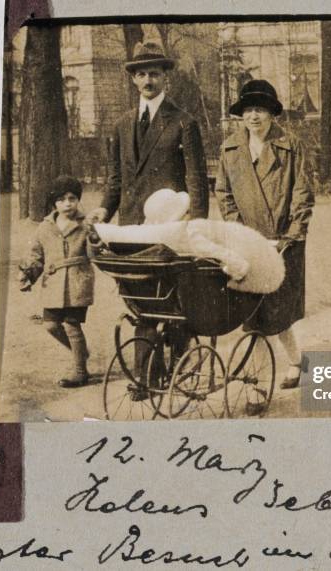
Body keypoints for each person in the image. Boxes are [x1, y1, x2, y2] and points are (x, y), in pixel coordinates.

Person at [86, 42, 209, 398]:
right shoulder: (122, 124)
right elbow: (116, 180)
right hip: (131, 228)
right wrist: (103, 211)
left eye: (154, 72)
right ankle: (145, 377)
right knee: (140, 299)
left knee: (172, 301)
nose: (147, 80)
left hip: (170, 226)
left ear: (165, 76)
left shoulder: (184, 122)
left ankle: (177, 367)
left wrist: (197, 223)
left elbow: (196, 180)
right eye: (141, 74)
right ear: (133, 80)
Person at [215, 79, 314, 403]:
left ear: (272, 114)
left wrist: (293, 232)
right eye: (248, 110)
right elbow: (224, 194)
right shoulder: (230, 149)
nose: (254, 116)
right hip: (248, 242)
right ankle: (257, 386)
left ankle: (296, 360)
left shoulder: (291, 145)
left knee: (278, 311)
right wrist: (240, 231)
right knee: (253, 314)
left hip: (283, 241)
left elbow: (302, 192)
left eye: (260, 109)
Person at [94, 188, 286, 294]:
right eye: (186, 212)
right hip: (199, 284)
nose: (190, 214)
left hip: (156, 293)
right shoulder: (189, 232)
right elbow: (220, 253)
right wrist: (238, 270)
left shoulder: (153, 236)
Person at [19, 176, 96, 388]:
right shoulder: (45, 227)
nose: (67, 203)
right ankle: (81, 353)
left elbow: (94, 254)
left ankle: (80, 370)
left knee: (72, 326)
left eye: (72, 198)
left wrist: (95, 238)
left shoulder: (86, 224)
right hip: (52, 284)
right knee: (51, 326)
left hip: (77, 282)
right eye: (62, 199)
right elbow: (36, 255)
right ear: (54, 203)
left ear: (78, 200)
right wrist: (28, 275)